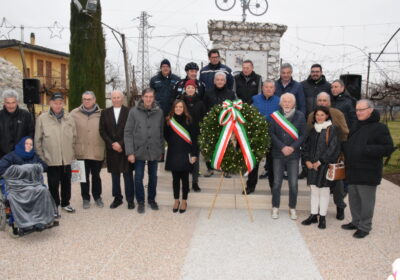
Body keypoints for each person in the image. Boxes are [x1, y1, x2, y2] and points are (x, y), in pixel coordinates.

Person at [342, 99, 394, 238]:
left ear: (370, 110)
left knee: (366, 201)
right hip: (353, 170)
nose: (358, 112)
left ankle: (365, 227)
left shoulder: (380, 128)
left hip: (368, 171)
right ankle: (356, 221)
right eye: (357, 110)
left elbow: (388, 148)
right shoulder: (356, 125)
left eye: (361, 110)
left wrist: (365, 150)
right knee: (353, 199)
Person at [307, 92, 349, 220]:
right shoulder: (311, 115)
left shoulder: (337, 113)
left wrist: (334, 145)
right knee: (318, 185)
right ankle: (316, 211)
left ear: (329, 101)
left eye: (325, 100)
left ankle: (340, 206)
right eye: (319, 100)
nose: (322, 102)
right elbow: (310, 133)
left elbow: (345, 131)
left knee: (337, 184)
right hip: (316, 154)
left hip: (335, 154)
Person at [35, 92, 77, 213]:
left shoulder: (69, 118)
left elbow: (74, 137)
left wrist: (72, 154)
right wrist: (42, 157)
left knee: (66, 183)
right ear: (50, 103)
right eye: (55, 103)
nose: (58, 106)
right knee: (53, 185)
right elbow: (38, 140)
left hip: (67, 159)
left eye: (60, 103)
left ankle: (65, 203)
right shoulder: (42, 119)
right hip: (51, 159)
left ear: (63, 104)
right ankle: (54, 206)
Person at [124, 88, 164, 214]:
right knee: (138, 177)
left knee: (153, 177)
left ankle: (152, 200)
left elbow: (161, 132)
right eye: (146, 96)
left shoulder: (159, 112)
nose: (148, 99)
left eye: (151, 96)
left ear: (154, 97)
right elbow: (128, 132)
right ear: (142, 97)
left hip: (154, 149)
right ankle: (140, 201)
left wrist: (161, 150)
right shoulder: (133, 112)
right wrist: (130, 152)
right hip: (138, 150)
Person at [301, 106, 340, 229]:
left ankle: (322, 217)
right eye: (317, 115)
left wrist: (321, 161)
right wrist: (306, 160)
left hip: (324, 165)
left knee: (324, 191)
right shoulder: (312, 130)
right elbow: (305, 146)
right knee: (314, 191)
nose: (319, 117)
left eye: (322, 115)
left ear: (327, 116)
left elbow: (334, 148)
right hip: (312, 165)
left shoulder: (332, 129)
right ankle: (313, 215)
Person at [270, 93, 306, 220]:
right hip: (278, 153)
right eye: (284, 101)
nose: (286, 103)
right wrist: (282, 147)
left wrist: (292, 147)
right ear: (280, 103)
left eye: (289, 101)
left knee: (293, 183)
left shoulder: (300, 116)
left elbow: (302, 135)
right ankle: (275, 207)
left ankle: (292, 207)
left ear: (294, 103)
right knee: (276, 182)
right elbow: (272, 134)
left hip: (293, 154)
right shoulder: (275, 116)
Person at [99, 90, 135, 209]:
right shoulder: (105, 112)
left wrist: (121, 144)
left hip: (125, 148)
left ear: (122, 98)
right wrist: (112, 144)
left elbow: (132, 130)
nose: (115, 99)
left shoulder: (129, 112)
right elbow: (102, 131)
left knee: (128, 175)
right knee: (115, 176)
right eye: (113, 97)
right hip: (111, 149)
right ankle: (117, 198)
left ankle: (130, 200)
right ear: (111, 99)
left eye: (118, 97)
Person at [70, 91, 105, 209]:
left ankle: (97, 197)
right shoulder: (74, 113)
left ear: (94, 100)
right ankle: (85, 198)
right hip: (80, 151)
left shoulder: (102, 113)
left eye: (89, 99)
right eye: (84, 99)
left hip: (97, 150)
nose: (86, 101)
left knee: (96, 176)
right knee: (82, 177)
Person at [245, 80, 280, 194]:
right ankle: (250, 186)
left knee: (271, 164)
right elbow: (248, 114)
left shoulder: (279, 101)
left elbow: (279, 117)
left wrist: (264, 118)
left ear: (274, 89)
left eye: (271, 87)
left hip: (272, 136)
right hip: (256, 135)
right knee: (254, 163)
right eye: (266, 87)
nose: (268, 89)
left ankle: (273, 187)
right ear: (262, 88)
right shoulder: (254, 99)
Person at [165, 100, 198, 213]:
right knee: (175, 179)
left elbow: (194, 139)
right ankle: (176, 200)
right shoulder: (169, 121)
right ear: (173, 108)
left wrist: (194, 154)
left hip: (186, 153)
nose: (178, 109)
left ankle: (184, 201)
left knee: (184, 179)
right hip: (174, 153)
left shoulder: (189, 120)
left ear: (184, 108)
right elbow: (166, 136)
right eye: (176, 107)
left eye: (181, 107)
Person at [203, 71, 236, 177]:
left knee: (227, 146)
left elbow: (234, 109)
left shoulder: (231, 93)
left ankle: (226, 169)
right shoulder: (208, 93)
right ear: (214, 81)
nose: (220, 82)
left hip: (226, 124)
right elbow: (204, 108)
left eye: (222, 80)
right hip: (211, 124)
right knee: (209, 146)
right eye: (217, 79)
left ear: (225, 81)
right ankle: (210, 168)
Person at [182, 80, 206, 192]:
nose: (190, 89)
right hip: (183, 135)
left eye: (192, 87)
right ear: (185, 89)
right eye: (188, 88)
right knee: (184, 160)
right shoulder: (180, 102)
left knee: (195, 158)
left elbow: (204, 119)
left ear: (195, 89)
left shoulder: (200, 103)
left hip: (196, 134)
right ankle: (185, 183)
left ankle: (195, 182)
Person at [0, 89, 34, 158]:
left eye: (13, 102)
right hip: (3, 157)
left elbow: (31, 134)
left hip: (22, 156)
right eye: (8, 103)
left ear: (17, 102)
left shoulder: (26, 115)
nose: (11, 106)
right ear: (4, 103)